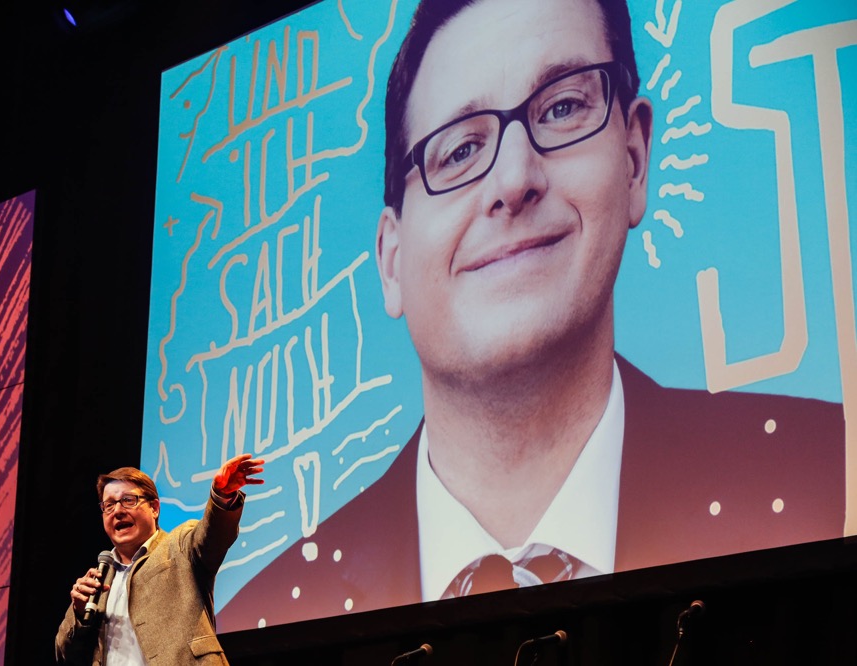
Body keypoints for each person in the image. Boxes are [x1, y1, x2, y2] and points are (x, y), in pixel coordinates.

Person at [217, 0, 844, 632]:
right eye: (460, 151)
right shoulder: (257, 623)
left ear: (634, 158)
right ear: (391, 259)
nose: (514, 179)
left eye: (563, 108)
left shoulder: (834, 475)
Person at [55, 454, 264, 665]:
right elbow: (64, 654)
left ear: (154, 508)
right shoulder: (97, 581)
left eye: (128, 500)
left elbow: (212, 535)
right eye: (109, 505)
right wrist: (78, 613)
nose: (117, 511)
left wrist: (221, 495)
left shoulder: (180, 545)